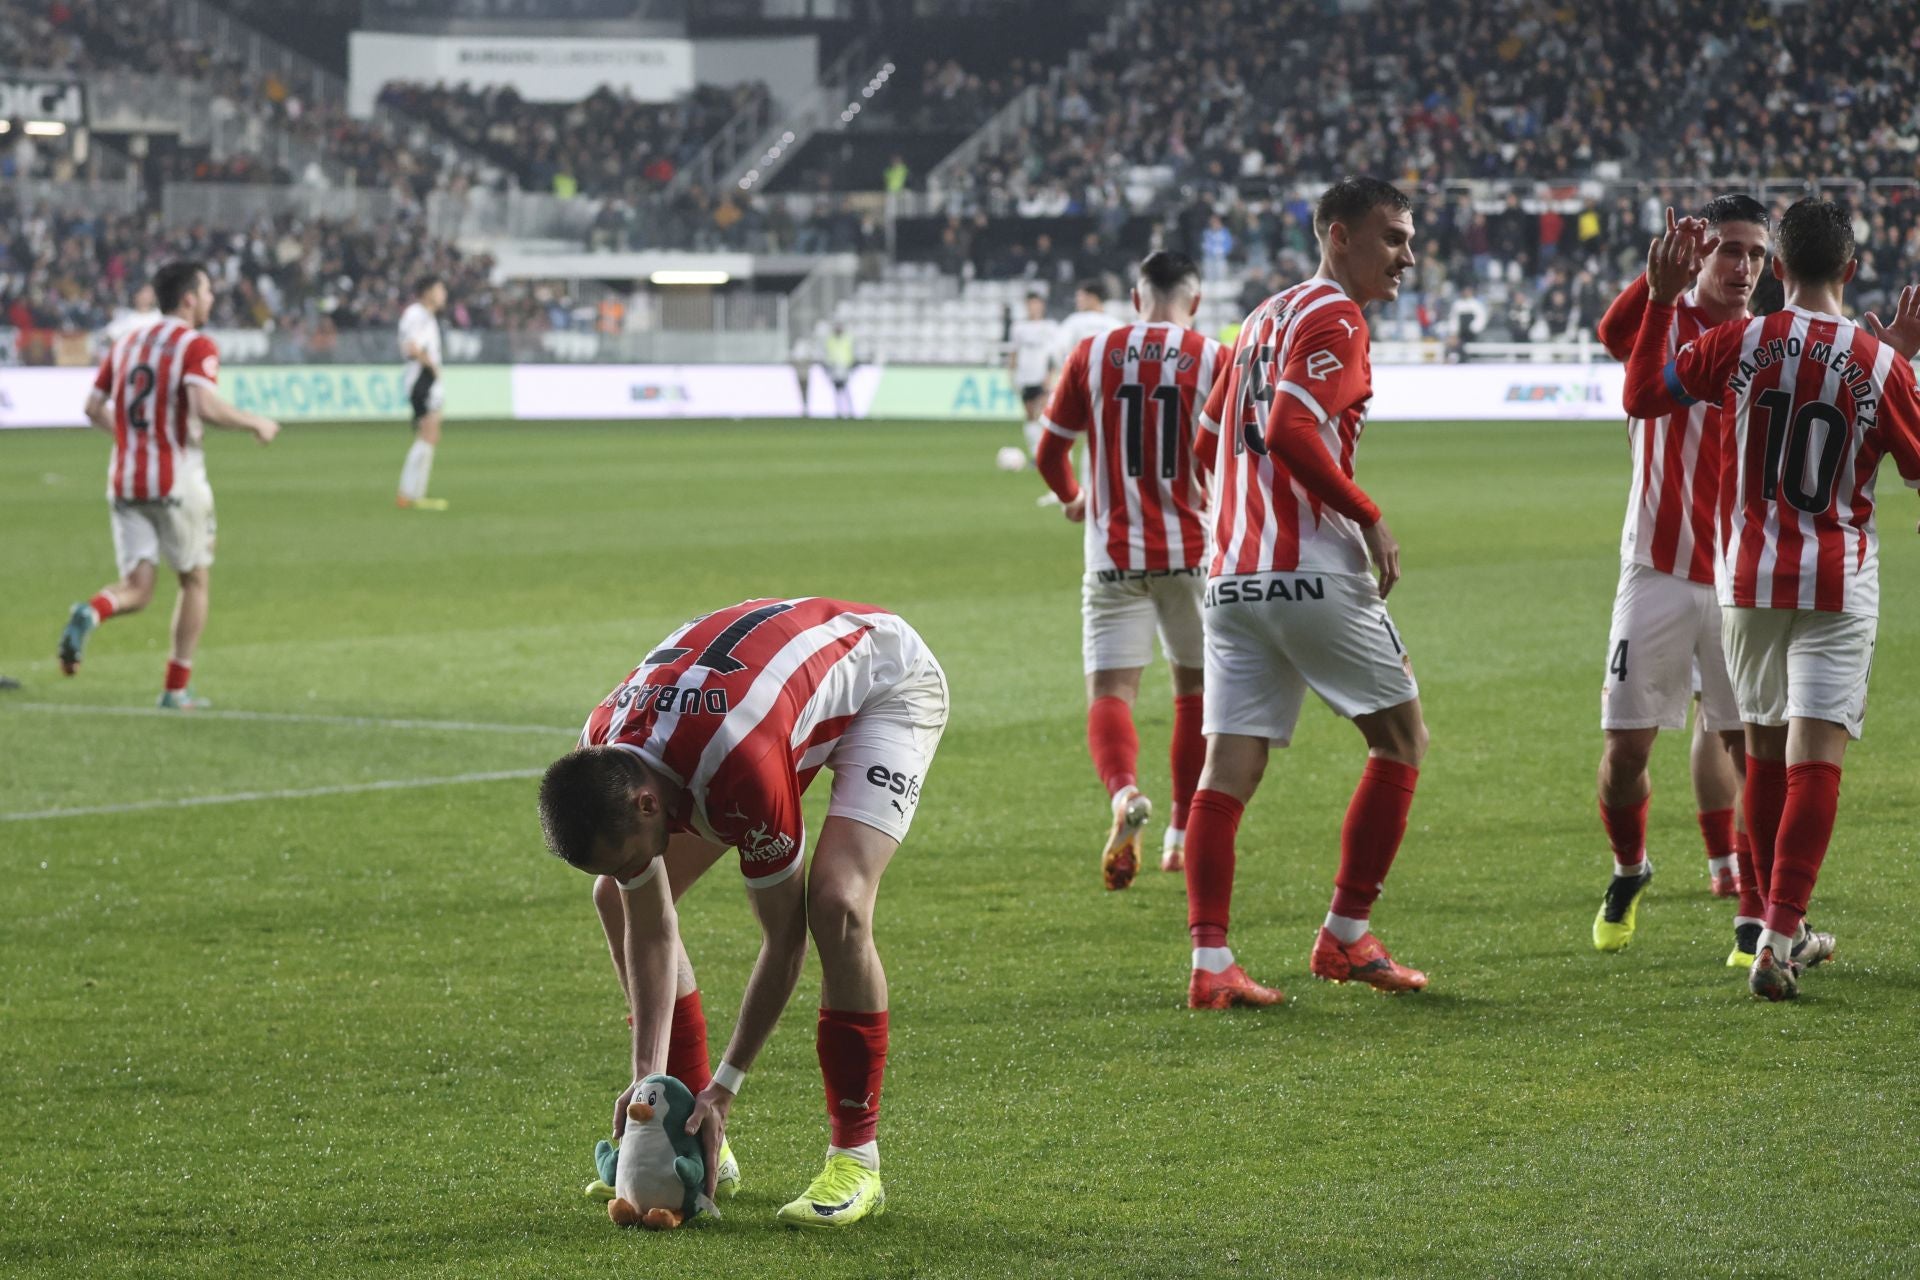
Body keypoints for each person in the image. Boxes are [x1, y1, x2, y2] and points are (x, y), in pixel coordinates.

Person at [538, 597, 949, 1225]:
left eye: (623, 858)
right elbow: (646, 923)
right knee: (616, 903)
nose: (628, 873)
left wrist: (725, 1087)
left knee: (835, 904)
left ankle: (856, 1160)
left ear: (650, 807)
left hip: (886, 685)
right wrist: (649, 1086)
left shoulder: (741, 769)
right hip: (735, 720)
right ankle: (697, 1140)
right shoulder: (601, 750)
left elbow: (785, 943)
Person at [1621, 199, 1920, 1000]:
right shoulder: (1880, 363)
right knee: (1815, 759)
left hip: (1746, 577)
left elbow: (1646, 394)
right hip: (1836, 578)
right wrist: (1900, 361)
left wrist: (1657, 300)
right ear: (1853, 271)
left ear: (1777, 269)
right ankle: (1780, 936)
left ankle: (1768, 929)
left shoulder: (1738, 340)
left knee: (1761, 751)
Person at [1181, 176, 1430, 1009]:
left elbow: (1209, 435)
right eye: (1391, 237)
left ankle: (1212, 964)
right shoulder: (1335, 315)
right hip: (1310, 570)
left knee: (1229, 767)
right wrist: (1367, 515)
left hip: (1231, 578)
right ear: (1337, 236)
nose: (1407, 254)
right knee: (1400, 739)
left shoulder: (1260, 318)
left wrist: (1234, 529)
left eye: (1408, 237)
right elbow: (1290, 427)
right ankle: (1347, 935)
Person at [1588, 197, 1773, 963]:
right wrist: (1654, 282)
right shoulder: (1665, 320)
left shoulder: (1766, 338)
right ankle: (1630, 869)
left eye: (1756, 254)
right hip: (1656, 568)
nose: (1743, 267)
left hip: (1739, 575)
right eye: (1729, 249)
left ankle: (1754, 918)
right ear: (1697, 254)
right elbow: (1611, 337)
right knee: (1628, 748)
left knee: (1747, 746)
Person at [1034, 251, 1223, 888]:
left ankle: (1123, 795)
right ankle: (1178, 836)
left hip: (1113, 555)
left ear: (1137, 298)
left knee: (1112, 693)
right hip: (1191, 553)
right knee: (1195, 694)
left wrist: (1073, 500)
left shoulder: (1093, 352)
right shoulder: (1212, 356)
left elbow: (1050, 451)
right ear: (1193, 302)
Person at [55, 261, 281, 707]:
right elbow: (205, 405)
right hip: (176, 477)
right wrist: (256, 421)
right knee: (194, 579)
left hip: (125, 477)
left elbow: (91, 407)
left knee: (137, 588)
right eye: (208, 291)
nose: (213, 299)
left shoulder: (126, 342)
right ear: (189, 298)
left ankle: (91, 611)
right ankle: (176, 689)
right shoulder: (195, 345)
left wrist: (132, 439)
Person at [396, 275, 449, 512]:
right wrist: (432, 367)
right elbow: (411, 347)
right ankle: (409, 493)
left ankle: (415, 493)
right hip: (422, 381)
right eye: (440, 289)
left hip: (427, 380)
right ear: (427, 292)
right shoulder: (416, 314)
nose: (443, 294)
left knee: (430, 435)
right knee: (427, 434)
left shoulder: (427, 317)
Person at [1008, 291, 1059, 462]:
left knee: (1042, 413)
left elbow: (1055, 353)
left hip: (1042, 376)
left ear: (1042, 305)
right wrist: (1012, 374)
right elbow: (1014, 352)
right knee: (1030, 416)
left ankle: (1046, 453)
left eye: (1036, 304)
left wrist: (1050, 374)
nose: (1033, 307)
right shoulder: (1018, 328)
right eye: (1030, 304)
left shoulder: (1050, 327)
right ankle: (1036, 453)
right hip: (1025, 376)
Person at [824, 323, 857, 419]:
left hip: (845, 367)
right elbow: (827, 353)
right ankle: (839, 411)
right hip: (834, 368)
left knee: (846, 390)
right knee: (837, 391)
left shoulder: (847, 339)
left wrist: (852, 364)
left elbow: (852, 352)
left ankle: (850, 411)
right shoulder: (830, 340)